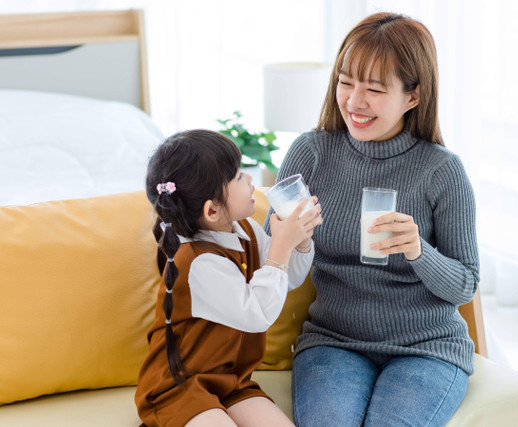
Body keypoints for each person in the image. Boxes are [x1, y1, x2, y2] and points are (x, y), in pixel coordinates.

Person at [265, 12, 480, 427]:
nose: (354, 101)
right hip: (334, 341)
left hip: (428, 347)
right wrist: (289, 237)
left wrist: (419, 251)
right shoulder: (311, 153)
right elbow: (268, 255)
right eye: (346, 82)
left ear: (413, 96)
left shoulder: (441, 171)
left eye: (375, 89)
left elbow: (465, 284)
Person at [135, 129, 323, 427]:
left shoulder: (244, 229)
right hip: (179, 388)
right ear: (211, 210)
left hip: (231, 381)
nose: (249, 179)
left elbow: (286, 280)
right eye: (237, 176)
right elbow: (257, 314)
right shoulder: (197, 261)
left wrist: (299, 243)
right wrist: (280, 248)